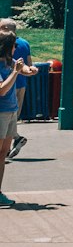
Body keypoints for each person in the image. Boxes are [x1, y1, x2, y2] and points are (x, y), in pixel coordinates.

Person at [0, 26, 36, 205]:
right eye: (14, 44)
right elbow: (1, 89)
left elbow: (24, 69)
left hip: (10, 111)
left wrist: (30, 70)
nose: (16, 47)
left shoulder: (9, 61)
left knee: (3, 153)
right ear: (7, 46)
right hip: (1, 113)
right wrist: (15, 72)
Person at [0, 18, 32, 160]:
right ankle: (17, 138)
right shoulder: (24, 44)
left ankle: (16, 138)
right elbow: (28, 64)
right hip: (17, 88)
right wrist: (27, 70)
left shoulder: (9, 55)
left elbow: (23, 66)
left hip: (12, 91)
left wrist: (24, 70)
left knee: (3, 152)